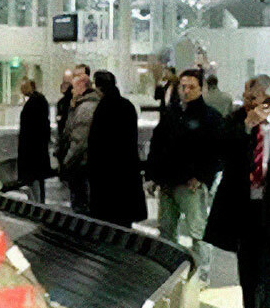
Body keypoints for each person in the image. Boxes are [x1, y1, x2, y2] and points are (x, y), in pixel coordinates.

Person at [205, 75, 270, 308]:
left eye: (253, 96)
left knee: (268, 272)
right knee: (248, 269)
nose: (247, 101)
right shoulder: (236, 121)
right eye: (246, 95)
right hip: (244, 209)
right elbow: (221, 149)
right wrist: (246, 125)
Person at [146, 69, 223, 284]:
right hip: (168, 181)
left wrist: (202, 177)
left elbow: (217, 152)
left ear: (201, 89)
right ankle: (169, 272)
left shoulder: (210, 117)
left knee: (197, 230)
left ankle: (202, 275)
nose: (186, 91)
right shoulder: (172, 114)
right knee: (166, 230)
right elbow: (157, 144)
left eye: (191, 87)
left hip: (190, 184)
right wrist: (152, 175)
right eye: (183, 86)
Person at [88, 71, 147, 226]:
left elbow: (96, 143)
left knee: (107, 222)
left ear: (99, 87)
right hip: (126, 172)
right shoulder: (127, 105)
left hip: (107, 175)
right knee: (124, 222)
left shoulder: (103, 108)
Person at [60, 72, 99, 214]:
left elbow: (79, 140)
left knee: (81, 207)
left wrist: (67, 160)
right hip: (84, 164)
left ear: (82, 87)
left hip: (81, 165)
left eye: (74, 87)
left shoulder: (85, 109)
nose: (72, 91)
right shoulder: (82, 105)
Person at [17, 78, 52, 203]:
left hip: (32, 150)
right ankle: (40, 202)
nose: (21, 89)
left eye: (24, 86)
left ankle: (38, 204)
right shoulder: (39, 101)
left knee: (34, 179)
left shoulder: (34, 103)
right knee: (38, 180)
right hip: (38, 149)